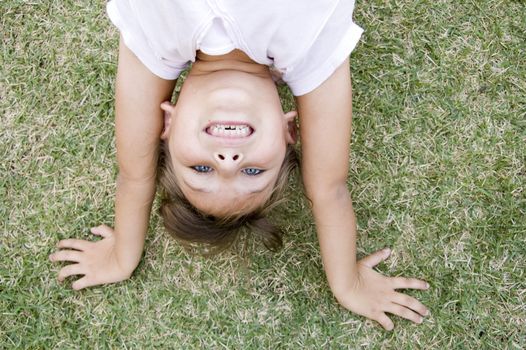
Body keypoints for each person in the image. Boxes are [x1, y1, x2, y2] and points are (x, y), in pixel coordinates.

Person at [49, 0, 430, 330]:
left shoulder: (156, 37)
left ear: (167, 123)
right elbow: (328, 187)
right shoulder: (310, 45)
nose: (227, 162)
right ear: (289, 131)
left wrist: (123, 256)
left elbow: (135, 173)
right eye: (252, 172)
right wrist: (347, 284)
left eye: (200, 170)